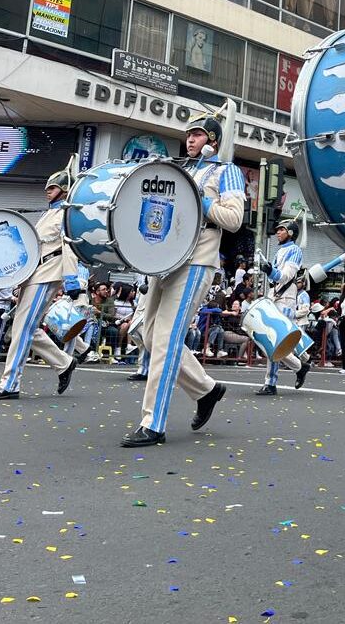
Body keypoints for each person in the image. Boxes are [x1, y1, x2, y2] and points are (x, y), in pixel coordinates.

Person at [121, 109, 244, 446]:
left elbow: (233, 219)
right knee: (148, 334)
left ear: (213, 142)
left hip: (197, 261)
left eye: (198, 134)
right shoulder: (179, 169)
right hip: (167, 259)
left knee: (166, 340)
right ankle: (206, 390)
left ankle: (153, 423)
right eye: (188, 134)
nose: (190, 139)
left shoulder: (226, 172)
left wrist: (202, 201)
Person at [0, 170, 80, 399]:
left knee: (23, 328)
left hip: (48, 272)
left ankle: (9, 384)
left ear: (64, 190)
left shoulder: (67, 214)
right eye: (47, 188)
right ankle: (64, 363)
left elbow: (70, 245)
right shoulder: (49, 215)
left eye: (52, 188)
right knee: (26, 328)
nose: (47, 192)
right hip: (34, 273)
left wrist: (71, 278)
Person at [255, 220, 313, 394]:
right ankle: (299, 367)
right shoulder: (280, 250)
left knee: (275, 340)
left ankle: (271, 383)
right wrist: (269, 270)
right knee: (273, 340)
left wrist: (270, 270)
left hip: (286, 298)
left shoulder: (295, 250)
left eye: (282, 230)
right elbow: (275, 278)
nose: (278, 233)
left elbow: (286, 275)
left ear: (291, 233)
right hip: (275, 295)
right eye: (278, 230)